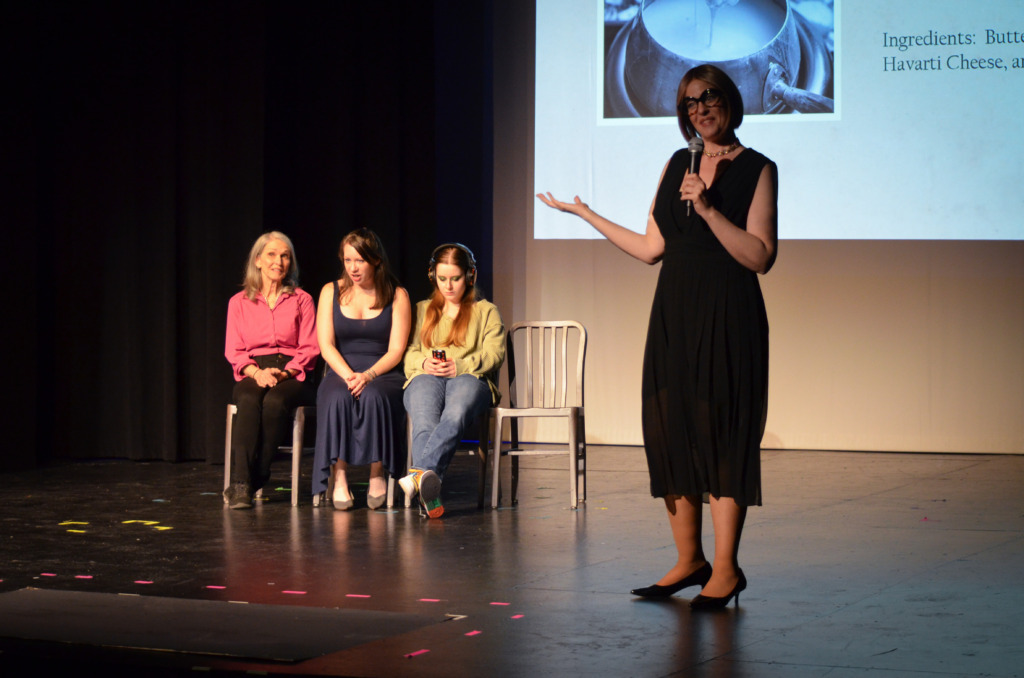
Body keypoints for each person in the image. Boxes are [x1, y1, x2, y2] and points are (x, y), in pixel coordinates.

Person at [537, 64, 777, 608]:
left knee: (721, 433)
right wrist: (585, 213)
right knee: (672, 429)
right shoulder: (677, 163)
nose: (701, 109)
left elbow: (760, 257)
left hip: (728, 313)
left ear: (730, 102)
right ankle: (689, 560)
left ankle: (726, 568)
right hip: (675, 312)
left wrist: (710, 209)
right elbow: (651, 248)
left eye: (710, 97)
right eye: (690, 103)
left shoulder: (760, 168)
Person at [399, 244, 505, 519]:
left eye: (455, 278)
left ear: (470, 275)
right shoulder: (422, 309)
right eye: (442, 278)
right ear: (432, 275)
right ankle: (428, 497)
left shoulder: (486, 311)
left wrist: (460, 365)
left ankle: (417, 474)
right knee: (424, 421)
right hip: (427, 376)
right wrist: (423, 363)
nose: (448, 286)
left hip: (470, 378)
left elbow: (494, 355)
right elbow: (407, 352)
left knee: (455, 414)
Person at [312, 229, 411, 510]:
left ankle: (377, 473)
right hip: (342, 369)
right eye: (348, 260)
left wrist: (368, 376)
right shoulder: (330, 291)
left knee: (374, 396)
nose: (353, 268)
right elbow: (326, 345)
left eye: (360, 261)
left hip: (383, 371)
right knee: (337, 396)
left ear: (376, 260)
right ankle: (339, 475)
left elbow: (396, 350)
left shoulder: (397, 294)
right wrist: (348, 375)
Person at [224, 231, 319, 509]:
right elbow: (234, 350)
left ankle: (260, 473)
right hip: (254, 370)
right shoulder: (238, 302)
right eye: (272, 254)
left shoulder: (302, 300)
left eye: (285, 256)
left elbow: (310, 346)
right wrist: (257, 372)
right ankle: (242, 483)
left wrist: (286, 372)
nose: (279, 261)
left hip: (292, 373)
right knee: (249, 399)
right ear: (257, 261)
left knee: (276, 402)